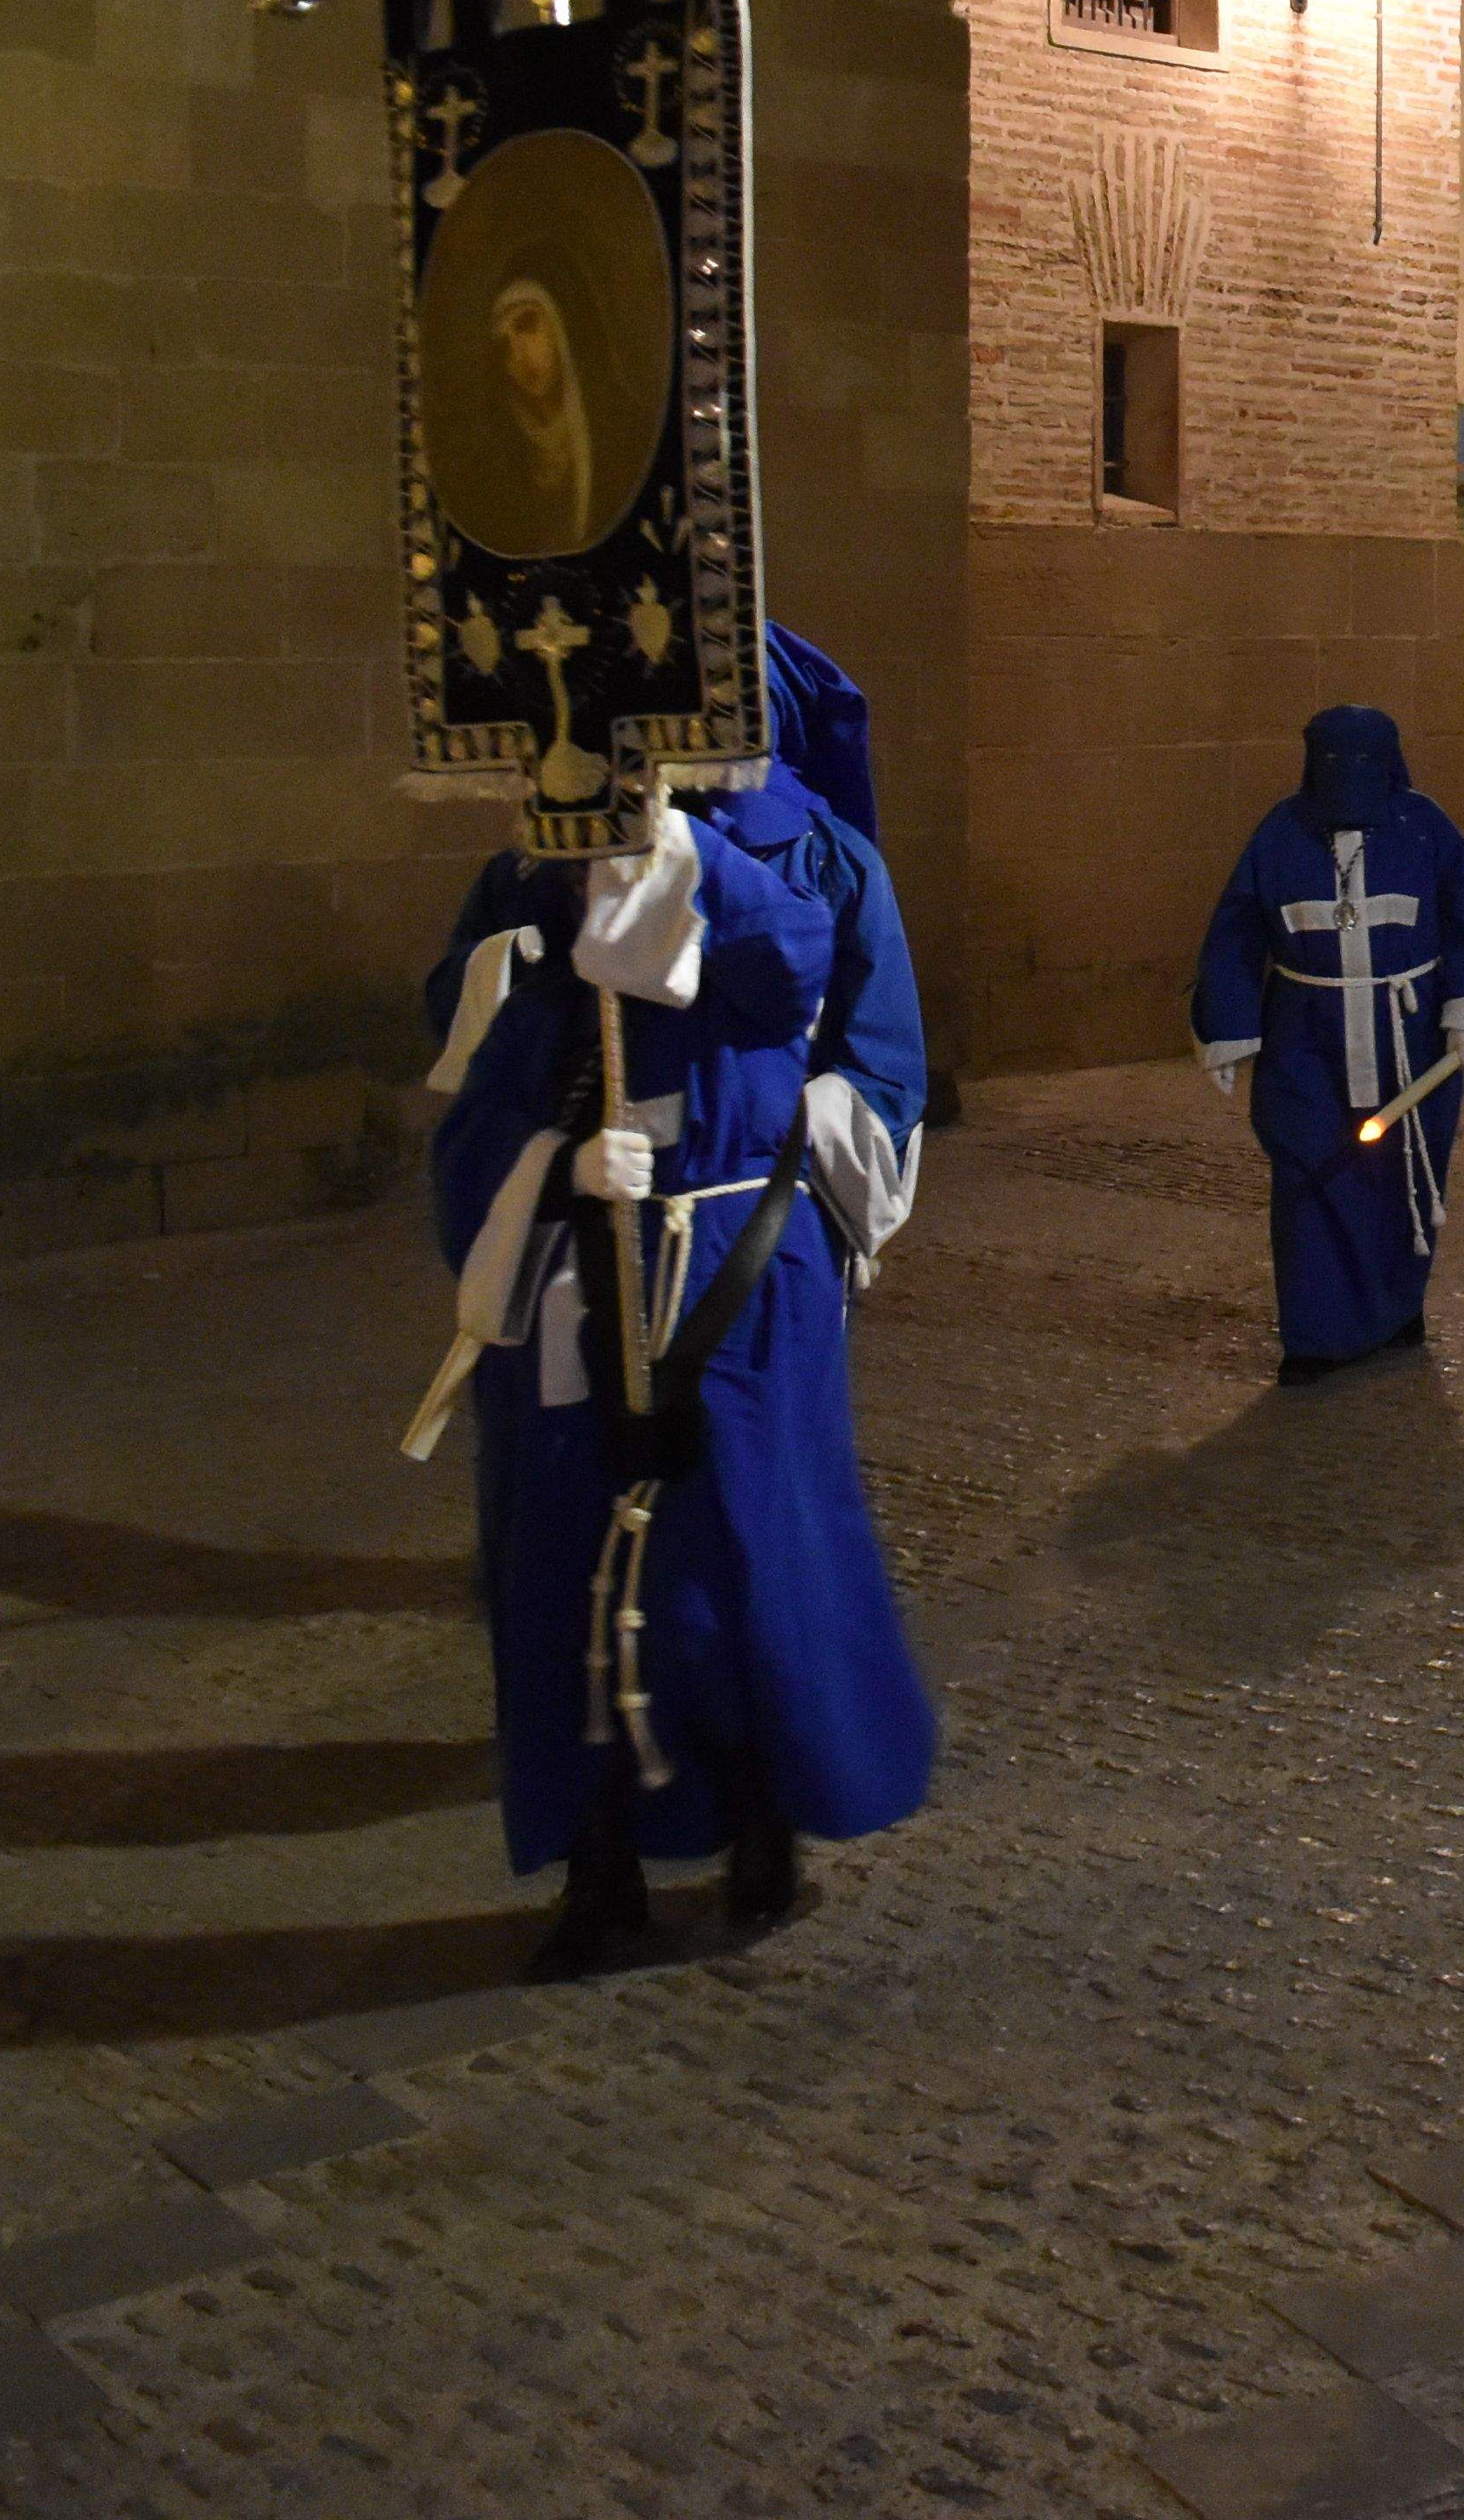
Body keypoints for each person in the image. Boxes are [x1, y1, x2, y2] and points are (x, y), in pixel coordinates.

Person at [417, 626, 938, 1979]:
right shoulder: (529, 881)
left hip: (738, 1261)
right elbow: (476, 1061)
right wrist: (553, 1160)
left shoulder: (807, 871)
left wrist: (806, 1159)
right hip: (576, 1270)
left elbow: (856, 1037)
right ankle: (597, 1863)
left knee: (750, 1558)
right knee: (568, 1570)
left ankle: (765, 1815)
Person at [1190, 705, 1464, 1381]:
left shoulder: (1424, 829)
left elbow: (1463, 916)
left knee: (1402, 1176)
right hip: (1308, 1039)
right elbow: (1239, 931)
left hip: (1410, 1033)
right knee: (1310, 1177)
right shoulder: (1281, 834)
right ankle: (1317, 1333)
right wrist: (1227, 1025)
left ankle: (1397, 1307)